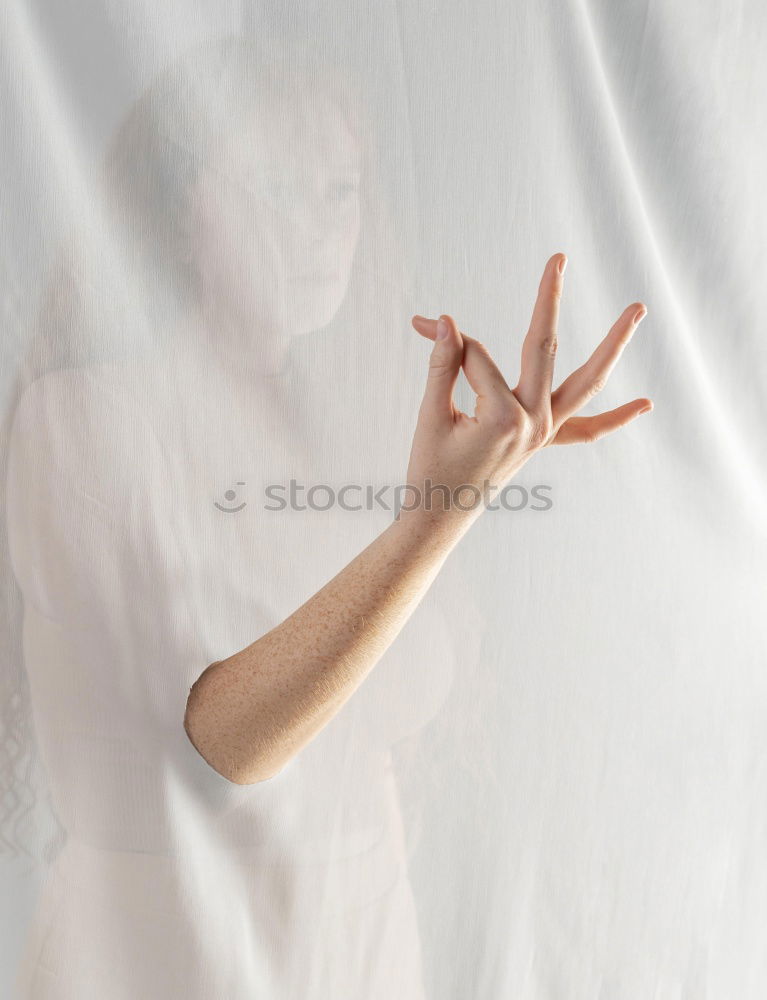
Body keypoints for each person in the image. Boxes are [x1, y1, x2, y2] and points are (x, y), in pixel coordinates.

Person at [4, 34, 651, 999]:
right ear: (184, 211)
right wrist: (438, 517)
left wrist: (464, 497)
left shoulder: (352, 441)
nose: (316, 229)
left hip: (358, 949)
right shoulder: (83, 421)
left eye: (338, 192)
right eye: (273, 187)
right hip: (167, 960)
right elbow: (223, 751)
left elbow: (381, 720)